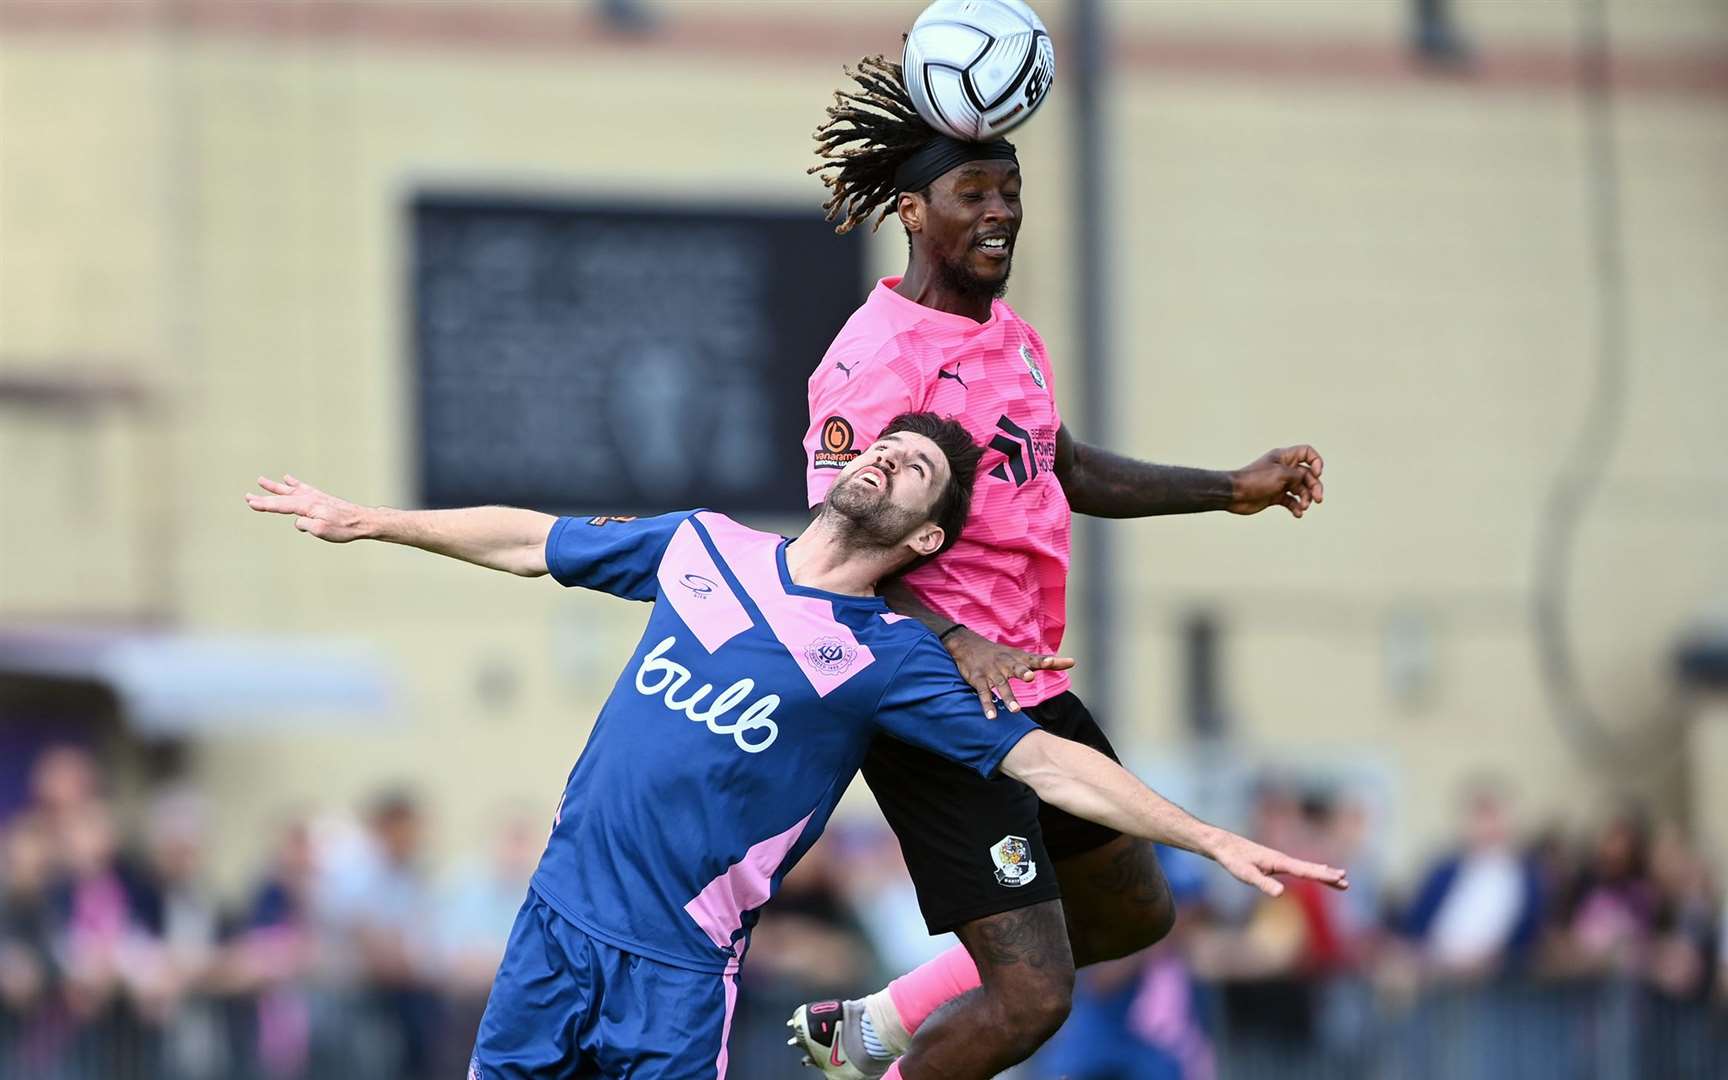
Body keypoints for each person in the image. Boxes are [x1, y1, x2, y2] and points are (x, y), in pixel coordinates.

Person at [244, 411, 1344, 1079]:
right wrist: (373, 519)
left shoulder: (890, 660)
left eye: (916, 473)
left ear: (922, 537)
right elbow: (533, 540)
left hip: (677, 975)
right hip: (552, 924)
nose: (888, 463)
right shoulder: (702, 548)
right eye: (888, 449)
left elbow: (1047, 761)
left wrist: (1206, 837)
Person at [788, 57, 1333, 1080]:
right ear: (912, 210)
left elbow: (1067, 467)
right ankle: (874, 1060)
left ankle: (871, 1027)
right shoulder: (873, 364)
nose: (1001, 214)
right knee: (1034, 997)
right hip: (937, 699)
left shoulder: (1014, 340)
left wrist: (1231, 488)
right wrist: (953, 638)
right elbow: (836, 547)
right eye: (974, 195)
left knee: (1133, 914)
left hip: (1030, 678)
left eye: (1012, 192)